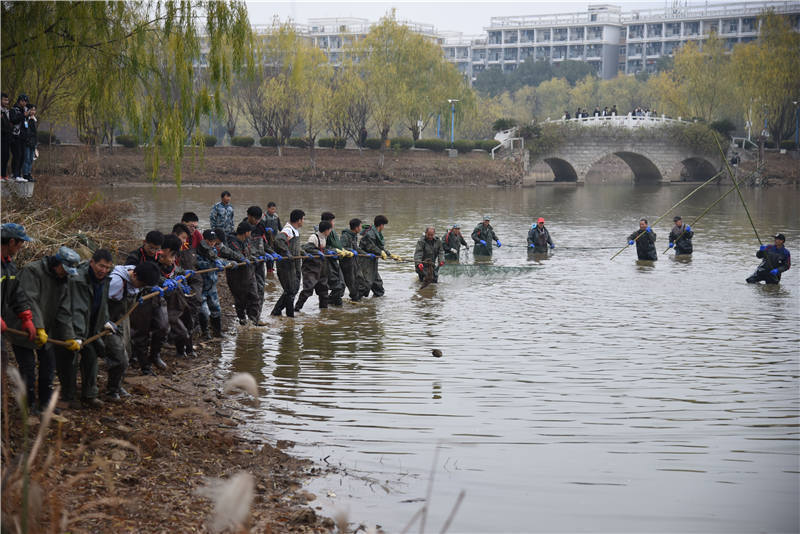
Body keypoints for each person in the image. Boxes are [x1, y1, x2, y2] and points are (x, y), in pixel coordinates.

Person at [10, 246, 79, 412]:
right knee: (27, 367)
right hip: (23, 326)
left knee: (48, 365)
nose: (66, 274)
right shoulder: (31, 271)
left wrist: (69, 336)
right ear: (57, 263)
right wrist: (38, 327)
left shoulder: (64, 279)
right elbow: (29, 300)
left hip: (45, 329)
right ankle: (28, 404)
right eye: (65, 269)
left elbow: (64, 310)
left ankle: (46, 403)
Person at [61, 249, 115, 408]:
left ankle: (89, 395)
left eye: (107, 267)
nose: (103, 270)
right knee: (70, 362)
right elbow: (77, 308)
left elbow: (103, 303)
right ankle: (68, 397)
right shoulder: (78, 280)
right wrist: (76, 335)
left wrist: (105, 321)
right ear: (92, 263)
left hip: (90, 329)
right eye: (101, 266)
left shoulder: (105, 280)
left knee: (91, 359)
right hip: (73, 328)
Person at [105, 261, 160, 399]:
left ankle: (118, 386)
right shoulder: (116, 282)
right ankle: (111, 391)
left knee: (127, 352)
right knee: (120, 357)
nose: (142, 287)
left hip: (122, 319)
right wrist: (104, 321)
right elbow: (98, 302)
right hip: (107, 323)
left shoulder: (136, 273)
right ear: (134, 275)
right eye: (142, 285)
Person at [196, 229, 244, 337]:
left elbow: (219, 260)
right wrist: (213, 266)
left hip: (212, 285)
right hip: (202, 286)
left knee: (216, 309)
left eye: (214, 241)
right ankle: (205, 333)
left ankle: (217, 332)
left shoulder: (213, 250)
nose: (212, 243)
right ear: (205, 240)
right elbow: (199, 264)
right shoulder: (199, 250)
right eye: (210, 241)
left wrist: (230, 263)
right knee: (204, 311)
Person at [1, 224, 37, 357]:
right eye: (20, 242)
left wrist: (26, 318)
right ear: (11, 242)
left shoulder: (9, 265)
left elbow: (16, 293)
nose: (21, 247)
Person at [225, 221, 263, 325]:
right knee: (240, 299)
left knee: (254, 297)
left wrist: (253, 257)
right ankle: (242, 321)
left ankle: (253, 321)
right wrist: (242, 259)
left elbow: (249, 252)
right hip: (236, 275)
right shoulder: (232, 242)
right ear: (246, 232)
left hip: (249, 273)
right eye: (250, 231)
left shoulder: (246, 241)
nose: (251, 234)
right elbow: (235, 254)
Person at [271, 209, 304, 317]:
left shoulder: (295, 230)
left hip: (295, 264)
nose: (303, 221)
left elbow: (295, 246)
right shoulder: (288, 229)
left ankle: (278, 312)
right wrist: (286, 252)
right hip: (287, 265)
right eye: (303, 219)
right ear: (298, 220)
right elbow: (278, 240)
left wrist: (304, 253)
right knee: (290, 291)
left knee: (294, 289)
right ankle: (287, 315)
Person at [359, 215, 401, 298]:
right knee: (366, 283)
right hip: (365, 261)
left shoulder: (377, 233)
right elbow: (371, 247)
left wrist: (390, 255)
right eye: (384, 225)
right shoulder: (370, 234)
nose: (384, 227)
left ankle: (374, 303)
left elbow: (380, 247)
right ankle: (357, 300)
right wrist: (380, 252)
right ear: (381, 225)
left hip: (373, 261)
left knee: (378, 286)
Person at [295, 220, 332, 311]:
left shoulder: (324, 238)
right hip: (310, 268)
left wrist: (330, 251)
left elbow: (324, 250)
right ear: (326, 230)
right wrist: (317, 252)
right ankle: (296, 309)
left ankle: (323, 311)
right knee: (308, 290)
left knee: (324, 290)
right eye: (330, 230)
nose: (330, 232)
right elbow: (306, 248)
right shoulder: (314, 237)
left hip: (321, 268)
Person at [243, 206, 273, 317]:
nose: (257, 222)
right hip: (248, 263)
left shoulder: (261, 226)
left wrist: (270, 252)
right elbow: (244, 245)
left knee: (261, 288)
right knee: (250, 289)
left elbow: (263, 243)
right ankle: (247, 316)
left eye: (259, 219)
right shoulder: (243, 227)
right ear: (249, 216)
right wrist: (252, 257)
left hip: (260, 261)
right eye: (255, 219)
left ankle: (257, 317)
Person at [321, 212, 347, 306]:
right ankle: (331, 302)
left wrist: (342, 250)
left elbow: (337, 244)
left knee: (342, 284)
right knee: (337, 285)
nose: (333, 223)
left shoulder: (333, 232)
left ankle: (333, 302)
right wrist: (331, 251)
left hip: (335, 260)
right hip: (327, 262)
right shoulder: (322, 232)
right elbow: (322, 247)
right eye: (332, 221)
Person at [339, 218, 367, 302]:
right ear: (356, 227)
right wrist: (350, 250)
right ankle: (354, 298)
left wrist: (366, 254)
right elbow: (341, 247)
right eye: (360, 226)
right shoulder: (345, 236)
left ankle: (357, 298)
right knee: (351, 282)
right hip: (346, 263)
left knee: (361, 281)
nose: (361, 228)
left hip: (354, 261)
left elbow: (356, 248)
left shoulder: (354, 236)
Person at [8, 94, 29, 181]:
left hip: (23, 137)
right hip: (15, 136)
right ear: (19, 101)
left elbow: (26, 124)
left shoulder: (25, 110)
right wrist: (23, 115)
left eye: (26, 101)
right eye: (23, 101)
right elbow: (13, 120)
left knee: (23, 156)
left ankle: (19, 174)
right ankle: (14, 174)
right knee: (17, 155)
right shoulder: (14, 110)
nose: (24, 103)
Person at [263, 202, 281, 273]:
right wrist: (266, 229)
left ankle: (272, 268)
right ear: (268, 208)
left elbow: (280, 227)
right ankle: (268, 268)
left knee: (274, 252)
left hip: (274, 237)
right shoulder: (264, 216)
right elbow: (260, 228)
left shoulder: (276, 216)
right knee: (269, 251)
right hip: (267, 238)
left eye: (274, 209)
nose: (273, 211)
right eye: (272, 209)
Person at [21, 104, 37, 182]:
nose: (33, 111)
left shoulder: (34, 120)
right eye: (32, 110)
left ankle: (29, 173)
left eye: (34, 110)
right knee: (26, 158)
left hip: (33, 143)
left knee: (31, 159)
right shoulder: (26, 119)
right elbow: (27, 131)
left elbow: (35, 133)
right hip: (27, 142)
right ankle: (25, 174)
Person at [1, 93, 11, 181]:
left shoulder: (6, 111)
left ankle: (4, 174)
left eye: (7, 100)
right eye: (4, 100)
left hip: (7, 137)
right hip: (1, 136)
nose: (6, 102)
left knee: (6, 156)